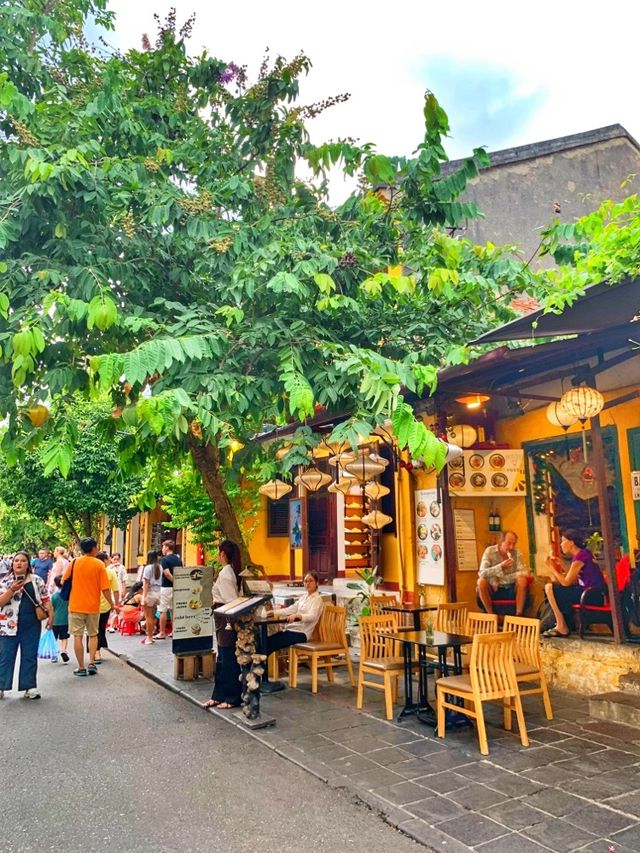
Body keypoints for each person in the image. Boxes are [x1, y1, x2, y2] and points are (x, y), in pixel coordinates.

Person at [0, 551, 53, 699]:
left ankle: (29, 687)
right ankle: (1, 687)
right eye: (16, 560)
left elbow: (46, 600)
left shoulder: (37, 580)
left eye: (23, 561)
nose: (19, 563)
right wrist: (12, 590)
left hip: (31, 624)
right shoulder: (5, 581)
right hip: (8, 625)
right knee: (5, 657)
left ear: (28, 564)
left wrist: (51, 618)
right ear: (12, 563)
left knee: (29, 656)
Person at [61, 537, 113, 677]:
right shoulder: (99, 564)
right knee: (93, 634)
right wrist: (112, 604)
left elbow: (63, 580)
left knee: (77, 637)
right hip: (93, 606)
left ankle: (81, 667)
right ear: (94, 548)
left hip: (76, 605)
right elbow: (105, 588)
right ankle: (91, 663)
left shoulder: (74, 562)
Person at [543, 528, 606, 637]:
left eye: (563, 541)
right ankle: (561, 623)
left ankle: (561, 625)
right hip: (592, 594)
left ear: (571, 542)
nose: (561, 544)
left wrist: (551, 568)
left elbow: (566, 582)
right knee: (555, 590)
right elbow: (574, 578)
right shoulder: (583, 554)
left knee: (549, 588)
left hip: (591, 596)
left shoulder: (580, 556)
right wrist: (562, 564)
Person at [203, 540, 243, 710]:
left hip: (226, 619)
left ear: (224, 554)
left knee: (228, 659)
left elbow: (230, 601)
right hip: (221, 617)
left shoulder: (227, 574)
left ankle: (232, 696)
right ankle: (218, 695)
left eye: (219, 552)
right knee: (222, 659)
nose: (217, 555)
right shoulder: (227, 572)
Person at [265, 573, 324, 657]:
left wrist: (298, 616)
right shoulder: (303, 597)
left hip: (301, 634)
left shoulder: (317, 599)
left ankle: (261, 668)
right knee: (266, 641)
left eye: (311, 581)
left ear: (317, 583)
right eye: (305, 581)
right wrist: (274, 612)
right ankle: (261, 667)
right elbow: (291, 609)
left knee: (269, 644)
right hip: (291, 630)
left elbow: (313, 616)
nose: (308, 583)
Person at [477, 530, 530, 617]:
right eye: (509, 543)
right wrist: (500, 567)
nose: (512, 547)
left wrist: (500, 578)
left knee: (522, 580)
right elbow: (482, 573)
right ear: (501, 542)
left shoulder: (517, 553)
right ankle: (491, 615)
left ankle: (518, 615)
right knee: (481, 582)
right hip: (493, 588)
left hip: (511, 587)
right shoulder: (489, 551)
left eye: (514, 544)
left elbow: (524, 572)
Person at [93, 551, 120, 662]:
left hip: (92, 605)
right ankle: (97, 651)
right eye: (108, 558)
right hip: (105, 605)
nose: (110, 560)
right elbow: (115, 590)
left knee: (93, 630)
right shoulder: (110, 572)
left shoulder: (93, 571)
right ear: (104, 560)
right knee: (101, 628)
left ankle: (96, 651)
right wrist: (116, 604)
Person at [155, 539, 182, 640]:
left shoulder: (165, 560)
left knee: (163, 610)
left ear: (166, 548)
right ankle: (175, 631)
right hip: (176, 588)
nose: (162, 549)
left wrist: (173, 580)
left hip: (166, 587)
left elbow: (167, 573)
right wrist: (178, 583)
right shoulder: (178, 559)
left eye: (163, 547)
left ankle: (162, 632)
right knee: (173, 610)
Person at [141, 550, 162, 645]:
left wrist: (143, 598)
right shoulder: (160, 567)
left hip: (150, 593)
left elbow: (146, 583)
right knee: (153, 616)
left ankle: (149, 637)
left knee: (148, 617)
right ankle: (151, 636)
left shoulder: (148, 568)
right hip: (159, 592)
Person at [50, 575, 70, 663]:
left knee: (54, 638)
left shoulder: (54, 596)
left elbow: (51, 608)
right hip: (65, 620)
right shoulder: (68, 596)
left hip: (55, 620)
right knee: (64, 637)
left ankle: (54, 655)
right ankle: (63, 650)